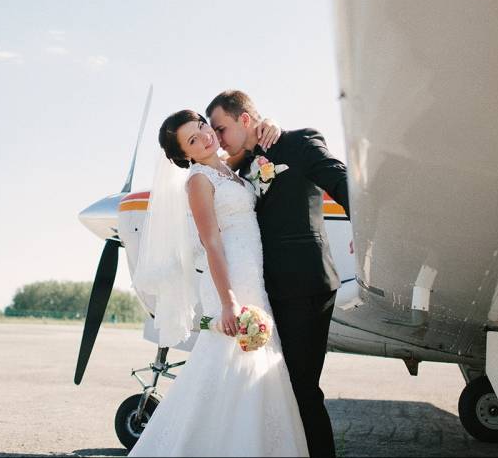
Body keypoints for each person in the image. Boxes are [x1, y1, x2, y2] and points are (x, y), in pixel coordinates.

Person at [129, 109, 308, 457]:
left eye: (201, 126)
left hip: (252, 276)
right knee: (225, 363)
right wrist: (228, 302)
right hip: (230, 280)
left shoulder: (229, 169)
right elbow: (211, 242)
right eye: (193, 140)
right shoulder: (198, 181)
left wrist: (270, 124)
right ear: (185, 155)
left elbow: (254, 138)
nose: (204, 136)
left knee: (253, 366)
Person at [207, 90, 350, 458]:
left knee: (302, 389)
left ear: (244, 119)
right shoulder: (240, 168)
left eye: (221, 129)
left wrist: (372, 229)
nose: (218, 139)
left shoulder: (299, 142)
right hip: (267, 292)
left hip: (306, 285)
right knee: (275, 389)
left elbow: (340, 180)